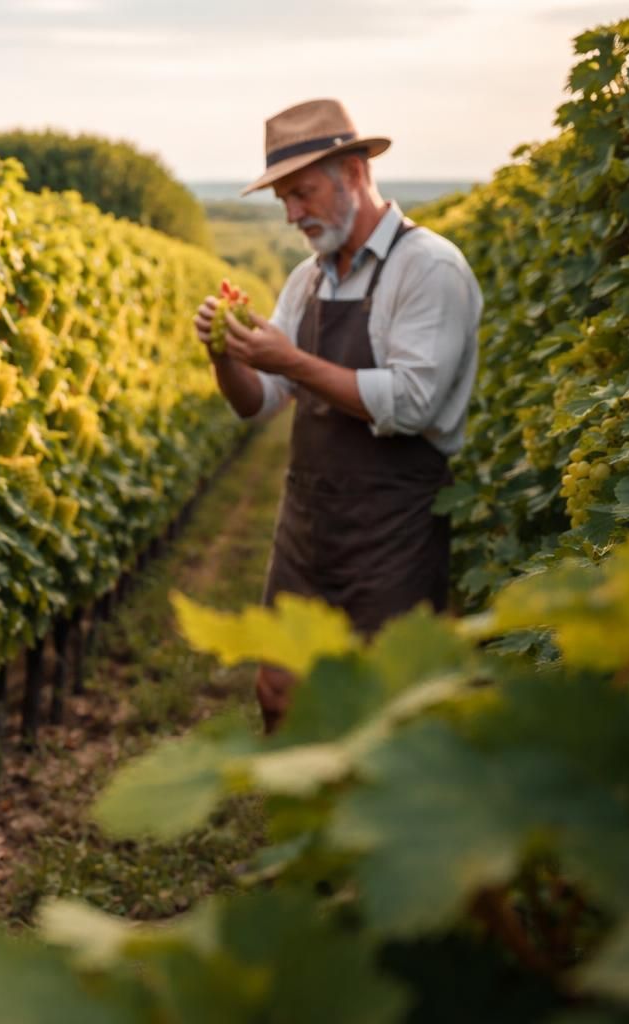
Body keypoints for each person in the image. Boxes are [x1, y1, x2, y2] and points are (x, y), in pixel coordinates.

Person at [194, 98, 482, 732]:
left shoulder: (428, 268)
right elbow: (261, 403)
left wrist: (290, 359)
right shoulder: (307, 280)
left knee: (383, 712)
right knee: (277, 689)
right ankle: (301, 829)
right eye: (284, 202)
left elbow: (411, 404)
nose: (294, 214)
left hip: (395, 527)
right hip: (307, 522)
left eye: (304, 193)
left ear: (353, 171)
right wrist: (226, 355)